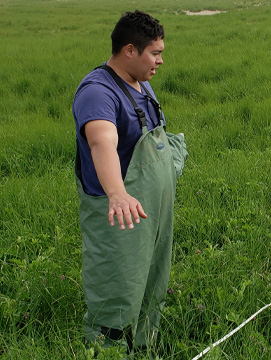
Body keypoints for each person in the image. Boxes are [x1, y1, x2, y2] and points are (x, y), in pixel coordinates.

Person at [73, 10, 184, 353]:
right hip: (117, 212)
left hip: (151, 208)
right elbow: (101, 142)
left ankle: (145, 344)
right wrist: (118, 193)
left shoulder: (142, 84)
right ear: (129, 51)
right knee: (117, 288)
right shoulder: (98, 92)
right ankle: (106, 351)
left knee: (151, 281)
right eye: (155, 53)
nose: (160, 61)